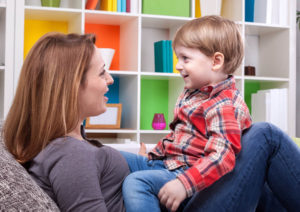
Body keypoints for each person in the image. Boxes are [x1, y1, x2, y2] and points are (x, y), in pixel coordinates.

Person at [120, 15, 300, 212]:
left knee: (136, 182)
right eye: (178, 58)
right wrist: (154, 155)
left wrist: (184, 184)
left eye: (185, 58)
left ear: (216, 61)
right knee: (114, 159)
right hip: (171, 164)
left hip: (189, 175)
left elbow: (222, 155)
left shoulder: (223, 103)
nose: (178, 65)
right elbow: (178, 137)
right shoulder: (192, 93)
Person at [2, 32, 130, 212]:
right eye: (102, 72)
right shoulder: (72, 155)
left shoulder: (65, 146)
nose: (110, 79)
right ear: (72, 87)